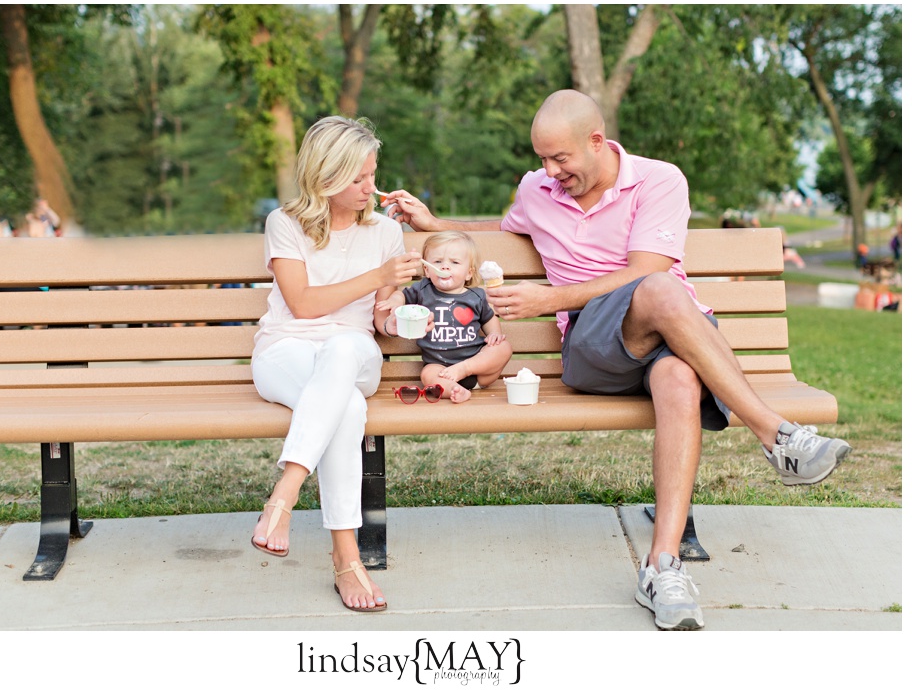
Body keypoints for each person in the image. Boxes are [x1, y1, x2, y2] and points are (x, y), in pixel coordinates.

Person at [383, 89, 852, 631]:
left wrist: (547, 298)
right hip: (592, 346)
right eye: (541, 158)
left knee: (678, 372)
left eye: (560, 158)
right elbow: (504, 233)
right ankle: (775, 434)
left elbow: (645, 268)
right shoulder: (538, 189)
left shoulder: (659, 180)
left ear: (597, 142)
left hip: (671, 334)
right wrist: (431, 222)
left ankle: (663, 569)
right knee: (660, 290)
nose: (549, 171)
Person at [250, 115, 423, 613]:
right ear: (324, 177)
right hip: (286, 351)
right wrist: (377, 275)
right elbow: (301, 304)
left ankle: (285, 491)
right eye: (358, 179)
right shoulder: (284, 223)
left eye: (373, 174)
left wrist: (399, 318)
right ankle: (347, 558)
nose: (372, 186)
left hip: (356, 352)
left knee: (345, 348)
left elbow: (379, 316)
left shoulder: (387, 232)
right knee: (344, 407)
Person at [377, 230, 513, 403]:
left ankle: (462, 369)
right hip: (439, 367)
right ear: (427, 269)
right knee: (427, 375)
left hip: (476, 369)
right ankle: (455, 390)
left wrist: (494, 334)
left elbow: (489, 318)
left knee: (504, 347)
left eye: (455, 262)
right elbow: (402, 295)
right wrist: (395, 302)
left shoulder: (476, 296)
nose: (445, 266)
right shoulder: (423, 290)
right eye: (438, 262)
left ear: (469, 273)